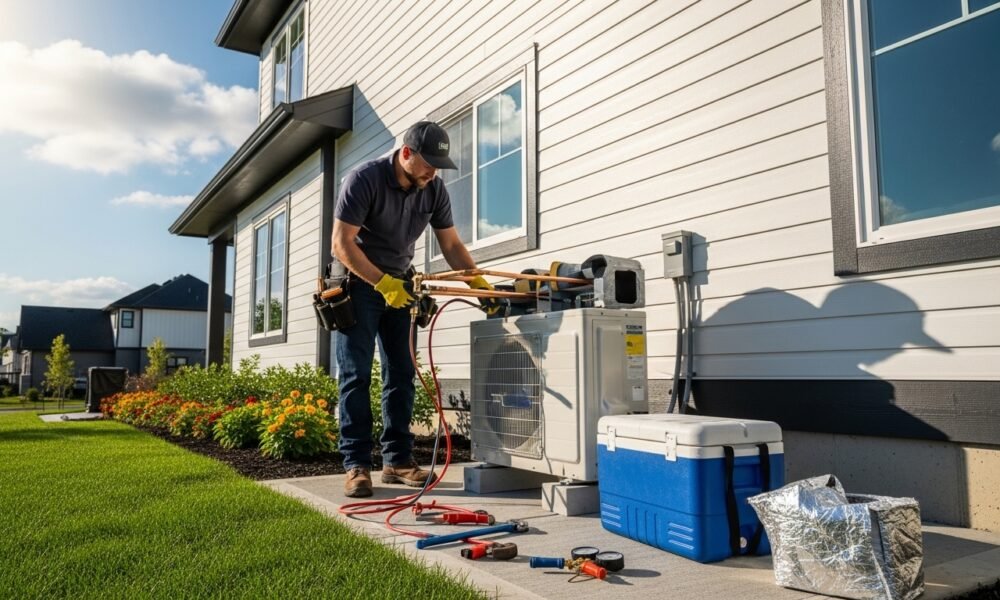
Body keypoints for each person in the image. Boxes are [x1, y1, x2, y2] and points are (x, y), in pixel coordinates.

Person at [331, 121, 496, 497]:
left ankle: (397, 461)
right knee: (356, 375)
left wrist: (478, 285)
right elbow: (341, 243)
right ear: (406, 153)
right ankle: (356, 464)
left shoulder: (433, 189)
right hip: (358, 283)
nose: (433, 172)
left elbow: (451, 245)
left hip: (402, 285)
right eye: (428, 163)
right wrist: (382, 283)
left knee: (402, 374)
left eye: (439, 166)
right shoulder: (364, 179)